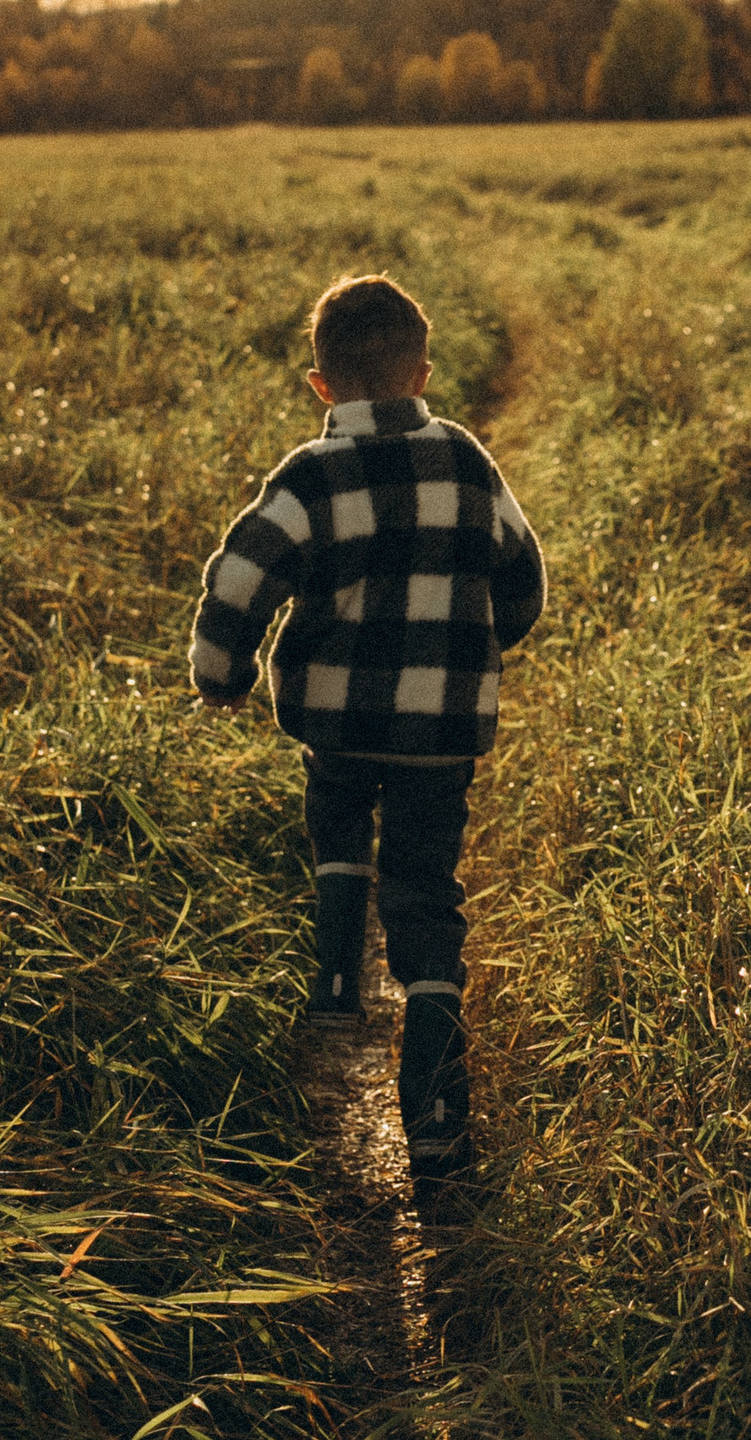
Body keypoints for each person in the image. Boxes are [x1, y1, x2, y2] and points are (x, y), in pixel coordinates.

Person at [188, 273, 544, 1174]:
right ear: (422, 372)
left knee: (337, 816)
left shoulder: (310, 477)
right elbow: (522, 572)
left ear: (320, 386)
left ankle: (338, 978)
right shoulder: (465, 458)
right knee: (426, 892)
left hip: (337, 719)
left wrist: (220, 678)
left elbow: (239, 580)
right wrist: (481, 639)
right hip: (442, 732)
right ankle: (434, 1113)